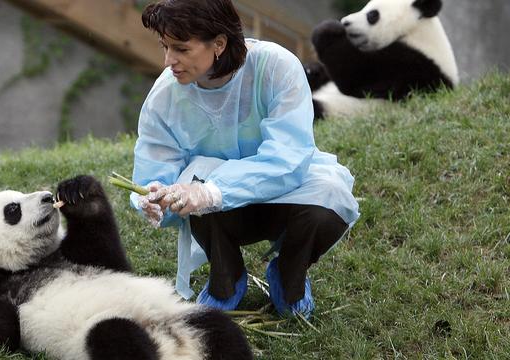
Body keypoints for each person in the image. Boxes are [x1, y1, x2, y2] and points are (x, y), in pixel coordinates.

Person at [130, 0, 359, 319]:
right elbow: (155, 166)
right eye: (165, 47)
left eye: (181, 49)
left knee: (330, 197)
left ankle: (289, 276)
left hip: (286, 195)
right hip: (220, 216)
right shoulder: (164, 97)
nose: (169, 61)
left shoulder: (276, 66)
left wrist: (214, 191)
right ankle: (226, 278)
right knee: (192, 181)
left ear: (219, 43)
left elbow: (288, 159)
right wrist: (152, 196)